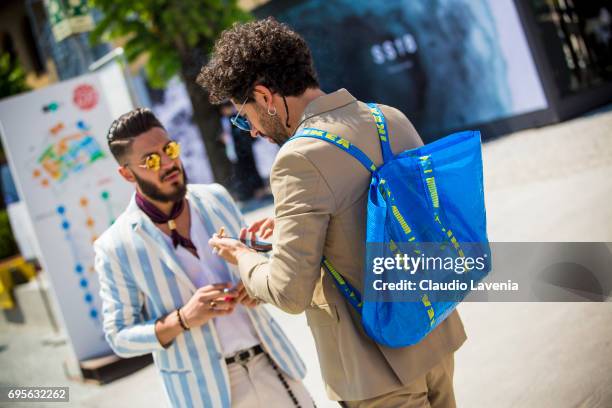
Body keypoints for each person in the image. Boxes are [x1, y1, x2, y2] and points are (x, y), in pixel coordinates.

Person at [200, 18, 467, 407]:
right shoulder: (388, 117)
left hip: (376, 368)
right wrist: (296, 226)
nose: (252, 130)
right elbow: (398, 215)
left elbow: (288, 291)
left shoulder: (297, 159)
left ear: (264, 96)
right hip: (434, 333)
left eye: (244, 116)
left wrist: (242, 257)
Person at [94, 108, 312, 408]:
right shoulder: (114, 246)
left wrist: (256, 286)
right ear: (127, 173)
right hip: (206, 394)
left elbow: (262, 261)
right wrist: (182, 319)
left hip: (272, 365)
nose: (169, 162)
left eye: (169, 149)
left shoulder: (215, 197)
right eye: (152, 160)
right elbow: (119, 336)